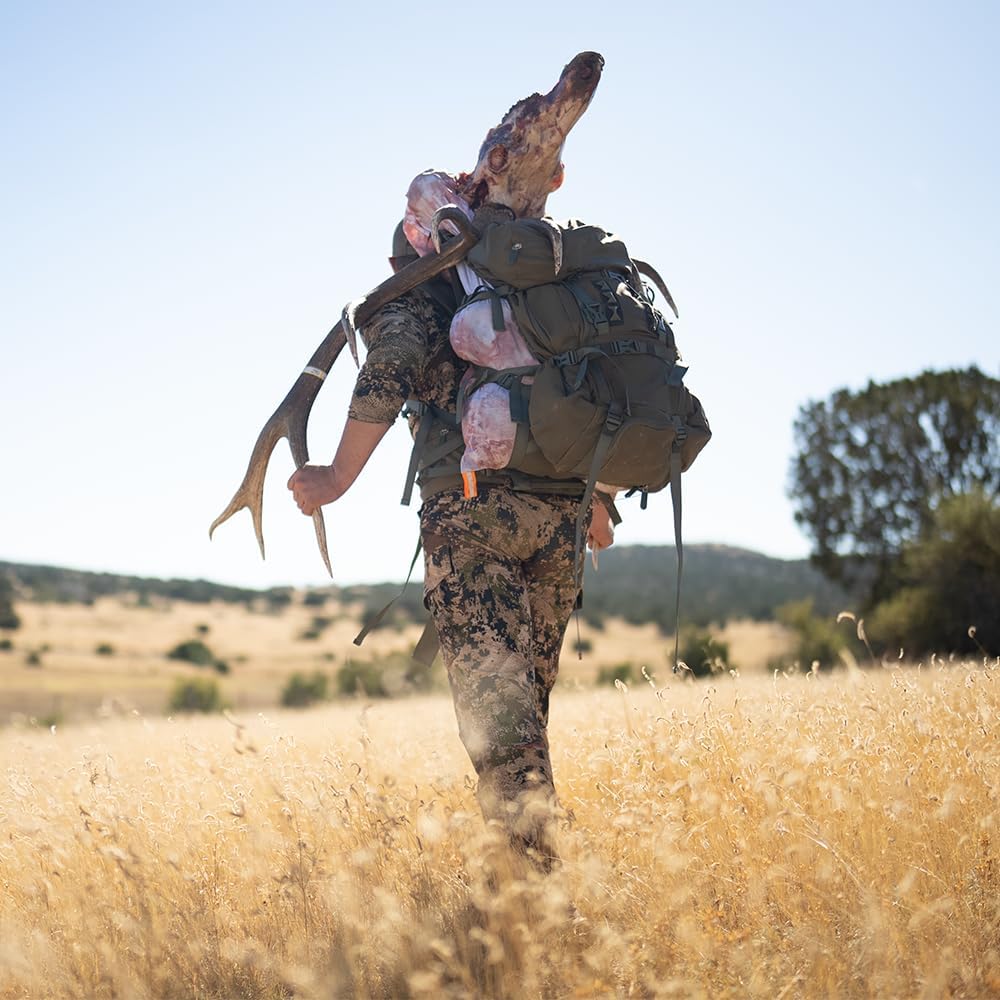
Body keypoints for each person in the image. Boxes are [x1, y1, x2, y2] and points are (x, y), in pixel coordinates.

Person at [288, 224, 614, 868]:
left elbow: (390, 368)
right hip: (560, 521)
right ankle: (528, 883)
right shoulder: (524, 298)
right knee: (526, 712)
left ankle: (534, 899)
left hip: (473, 520)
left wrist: (336, 476)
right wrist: (596, 498)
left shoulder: (419, 301)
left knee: (502, 728)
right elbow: (575, 392)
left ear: (399, 259)